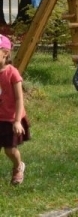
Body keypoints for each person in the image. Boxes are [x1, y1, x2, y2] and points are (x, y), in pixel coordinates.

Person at [0, 35, 30, 185]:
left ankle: (18, 166)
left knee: (9, 150)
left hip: (10, 119)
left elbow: (19, 99)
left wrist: (18, 121)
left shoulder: (12, 73)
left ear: (5, 53)